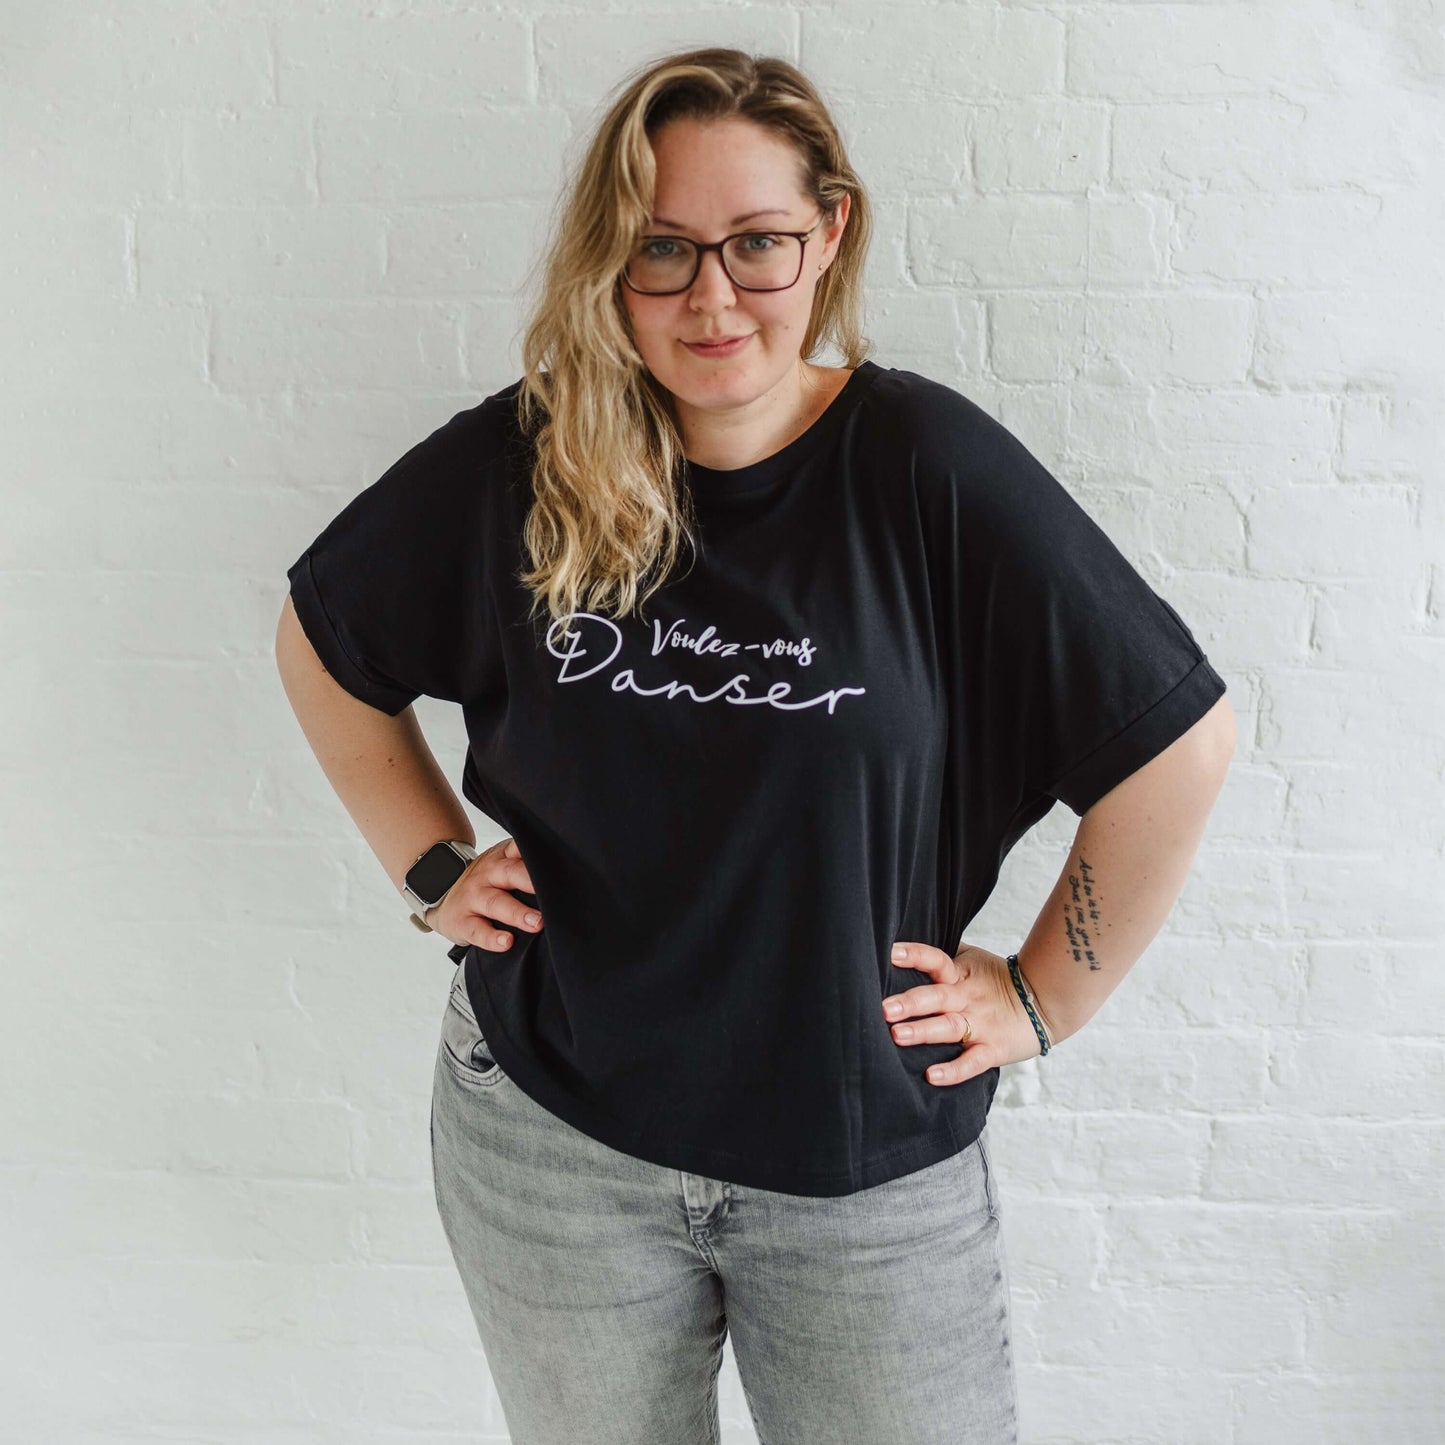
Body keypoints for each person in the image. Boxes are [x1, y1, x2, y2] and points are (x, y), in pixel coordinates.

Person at [275, 46, 1235, 1445]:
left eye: (757, 244)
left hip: (859, 1169)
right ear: (611, 261)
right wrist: (429, 863)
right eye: (662, 250)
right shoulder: (526, 464)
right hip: (554, 1142)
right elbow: (324, 640)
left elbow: (1176, 741)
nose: (711, 296)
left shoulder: (923, 469)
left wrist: (1040, 998)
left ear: (828, 232)